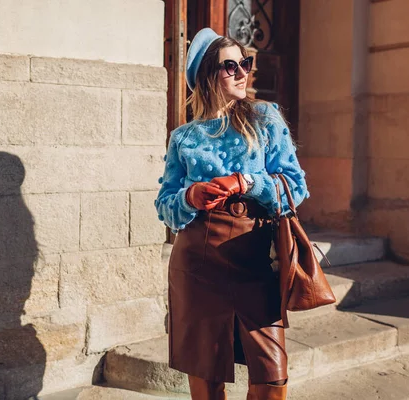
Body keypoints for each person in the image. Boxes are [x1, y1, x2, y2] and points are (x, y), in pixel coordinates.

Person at [155, 28, 309, 400]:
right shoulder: (184, 137)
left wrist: (246, 182)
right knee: (206, 384)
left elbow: (296, 188)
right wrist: (191, 195)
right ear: (208, 74)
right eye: (231, 65)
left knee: (271, 381)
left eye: (246, 62)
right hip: (197, 265)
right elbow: (166, 207)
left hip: (254, 260)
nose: (243, 72)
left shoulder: (265, 118)